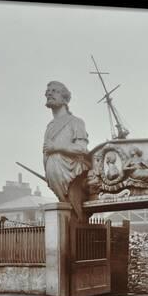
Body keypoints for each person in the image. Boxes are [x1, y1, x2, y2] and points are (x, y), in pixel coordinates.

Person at [43, 81, 90, 220]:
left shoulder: (76, 122)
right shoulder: (50, 126)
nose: (49, 93)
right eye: (48, 91)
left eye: (54, 91)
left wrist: (57, 148)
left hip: (71, 176)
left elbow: (82, 148)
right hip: (55, 180)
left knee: (75, 216)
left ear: (64, 98)